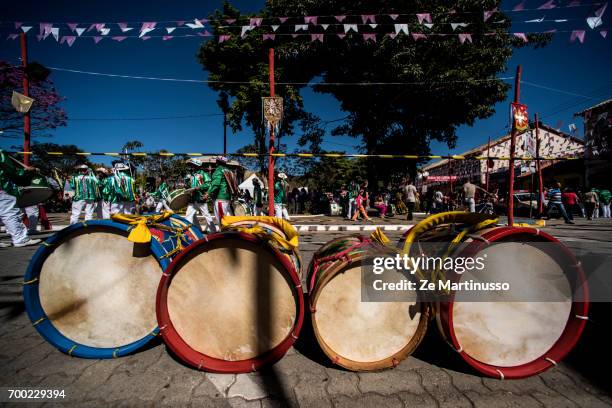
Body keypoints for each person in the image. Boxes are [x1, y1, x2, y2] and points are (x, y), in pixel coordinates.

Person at [0, 150, 41, 247]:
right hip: (2, 187)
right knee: (10, 213)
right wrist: (28, 171)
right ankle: (20, 239)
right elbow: (12, 172)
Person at [184, 158, 216, 232]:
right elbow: (189, 185)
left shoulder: (203, 174)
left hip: (200, 198)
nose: (192, 167)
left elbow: (208, 184)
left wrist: (198, 187)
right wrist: (187, 182)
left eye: (193, 165)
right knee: (188, 215)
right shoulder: (192, 175)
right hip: (192, 199)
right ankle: (189, 231)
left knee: (206, 215)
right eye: (192, 165)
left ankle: (213, 231)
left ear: (197, 165)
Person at [208, 156, 235, 224]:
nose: (215, 162)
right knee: (226, 218)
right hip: (227, 198)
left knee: (221, 220)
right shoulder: (229, 171)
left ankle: (223, 234)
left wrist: (208, 193)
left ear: (218, 162)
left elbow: (215, 184)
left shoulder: (218, 170)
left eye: (216, 161)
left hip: (220, 198)